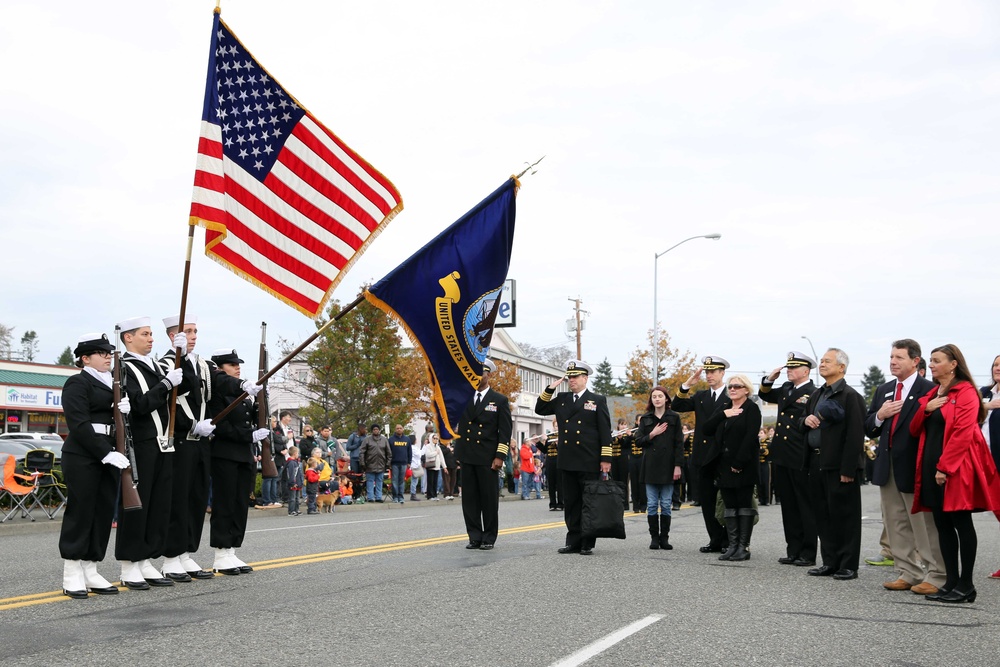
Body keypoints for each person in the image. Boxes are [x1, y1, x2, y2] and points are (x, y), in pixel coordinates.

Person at [910, 344, 1000, 603]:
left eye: (937, 361)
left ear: (953, 364)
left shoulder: (966, 392)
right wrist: (925, 409)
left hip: (954, 468)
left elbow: (962, 432)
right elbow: (916, 429)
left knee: (961, 523)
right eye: (931, 360)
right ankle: (950, 582)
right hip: (930, 466)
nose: (932, 365)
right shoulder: (934, 392)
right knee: (942, 525)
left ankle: (966, 585)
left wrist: (944, 468)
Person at [863, 339, 944, 595]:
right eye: (891, 357)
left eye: (899, 357)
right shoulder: (885, 389)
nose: (893, 362)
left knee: (923, 524)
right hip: (887, 468)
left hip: (916, 467)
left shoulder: (930, 389)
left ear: (915, 361)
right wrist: (880, 415)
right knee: (895, 522)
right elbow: (869, 427)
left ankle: (937, 574)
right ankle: (908, 571)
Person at [115, 316, 188, 590]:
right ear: (128, 338)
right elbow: (141, 404)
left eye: (151, 334)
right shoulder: (124, 368)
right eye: (145, 334)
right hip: (142, 444)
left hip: (163, 444)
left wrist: (185, 353)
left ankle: (145, 557)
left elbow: (188, 387)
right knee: (138, 504)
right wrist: (166, 384)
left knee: (159, 505)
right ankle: (129, 563)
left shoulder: (156, 366)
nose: (151, 338)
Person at [58, 333, 127, 598]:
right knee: (82, 509)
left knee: (102, 511)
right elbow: (78, 423)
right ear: (85, 358)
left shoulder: (114, 384)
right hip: (83, 454)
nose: (108, 355)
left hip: (110, 451)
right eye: (101, 352)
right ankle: (72, 570)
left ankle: (91, 567)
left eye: (109, 351)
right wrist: (103, 452)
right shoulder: (77, 382)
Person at [158, 314, 216, 582]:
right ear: (173, 336)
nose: (193, 335)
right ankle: (171, 557)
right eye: (188, 331)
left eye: (195, 331)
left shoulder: (200, 363)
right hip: (181, 439)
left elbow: (211, 390)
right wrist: (191, 425)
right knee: (178, 500)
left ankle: (186, 552)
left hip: (200, 440)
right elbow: (173, 400)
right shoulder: (167, 363)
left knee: (196, 499)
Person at [535, 360, 612, 556]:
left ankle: (587, 542)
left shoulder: (597, 400)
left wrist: (606, 458)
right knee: (571, 502)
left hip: (589, 458)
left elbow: (604, 431)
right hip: (568, 458)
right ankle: (573, 541)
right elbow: (540, 409)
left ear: (585, 378)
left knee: (588, 501)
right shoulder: (562, 399)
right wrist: (550, 388)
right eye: (569, 377)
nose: (571, 380)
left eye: (575, 377)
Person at [802, 348, 866, 581]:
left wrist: (849, 469)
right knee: (823, 515)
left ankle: (848, 564)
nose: (822, 364)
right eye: (821, 361)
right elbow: (806, 421)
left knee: (845, 516)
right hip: (817, 461)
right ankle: (829, 561)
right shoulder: (818, 395)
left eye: (828, 361)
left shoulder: (850, 396)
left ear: (842, 367)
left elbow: (855, 436)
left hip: (840, 466)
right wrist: (805, 420)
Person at [206, 349, 266, 575]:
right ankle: (220, 554)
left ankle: (231, 550)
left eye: (237, 363)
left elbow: (249, 419)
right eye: (231, 364)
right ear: (220, 369)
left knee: (240, 503)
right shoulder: (217, 394)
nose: (237, 367)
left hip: (243, 454)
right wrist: (247, 435)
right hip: (224, 453)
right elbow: (220, 425)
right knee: (225, 503)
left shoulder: (245, 395)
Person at [758, 351, 817, 567]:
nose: (789, 370)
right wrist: (770, 379)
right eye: (788, 367)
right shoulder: (785, 389)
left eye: (793, 368)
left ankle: (808, 553)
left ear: (806, 371)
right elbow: (764, 395)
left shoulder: (814, 392)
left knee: (804, 504)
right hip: (782, 453)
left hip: (799, 453)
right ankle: (793, 550)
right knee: (789, 505)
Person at [673, 356, 730, 553]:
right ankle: (715, 539)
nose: (709, 375)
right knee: (707, 500)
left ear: (723, 373)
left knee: (726, 499)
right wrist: (688, 384)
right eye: (707, 372)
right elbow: (677, 406)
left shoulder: (732, 396)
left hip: (723, 454)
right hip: (703, 455)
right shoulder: (701, 396)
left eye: (713, 371)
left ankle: (729, 540)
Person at [455, 359, 512, 550]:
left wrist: (500, 456)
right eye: (475, 373)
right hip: (467, 456)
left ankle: (488, 537)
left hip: (488, 458)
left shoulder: (499, 400)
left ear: (489, 375)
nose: (479, 377)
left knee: (488, 499)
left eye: (482, 373)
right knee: (469, 500)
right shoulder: (462, 398)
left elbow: (505, 433)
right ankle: (474, 536)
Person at [705, 375, 762, 561]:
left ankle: (743, 547)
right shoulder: (725, 408)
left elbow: (749, 438)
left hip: (743, 465)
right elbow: (706, 429)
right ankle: (732, 545)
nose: (732, 389)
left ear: (746, 390)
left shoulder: (751, 409)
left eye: (737, 386)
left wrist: (739, 463)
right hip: (723, 465)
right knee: (729, 507)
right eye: (730, 386)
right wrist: (723, 414)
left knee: (743, 505)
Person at [636, 386, 684, 550]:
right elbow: (638, 441)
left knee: (665, 503)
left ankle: (665, 538)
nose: (657, 399)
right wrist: (653, 434)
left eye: (660, 396)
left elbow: (679, 444)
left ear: (666, 399)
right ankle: (654, 538)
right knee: (651, 504)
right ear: (651, 400)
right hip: (650, 465)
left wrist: (678, 466)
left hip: (668, 465)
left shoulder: (674, 417)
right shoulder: (645, 418)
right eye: (654, 396)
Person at [981, 354, 1000, 580]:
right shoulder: (984, 393)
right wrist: (987, 405)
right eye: (995, 365)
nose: (997, 368)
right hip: (982, 461)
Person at [359, 424, 391, 503]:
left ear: (379, 430)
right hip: (369, 464)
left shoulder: (384, 440)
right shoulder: (367, 440)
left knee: (379, 481)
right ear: (372, 431)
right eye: (374, 429)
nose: (376, 431)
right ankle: (370, 497)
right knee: (370, 481)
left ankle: (378, 497)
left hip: (381, 464)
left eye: (377, 429)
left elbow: (389, 453)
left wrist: (387, 463)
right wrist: (363, 463)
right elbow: (362, 452)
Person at [537, 419, 562, 511]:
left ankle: (560, 503)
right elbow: (545, 450)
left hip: (559, 460)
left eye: (558, 426)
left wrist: (557, 444)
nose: (557, 428)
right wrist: (538, 442)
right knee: (550, 483)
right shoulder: (550, 436)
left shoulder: (563, 436)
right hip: (550, 461)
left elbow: (563, 451)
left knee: (560, 483)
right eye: (555, 426)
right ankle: (552, 504)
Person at [388, 424, 413, 504]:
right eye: (397, 428)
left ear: (403, 429)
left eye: (400, 428)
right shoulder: (391, 440)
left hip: (404, 463)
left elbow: (410, 451)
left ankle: (401, 497)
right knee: (394, 481)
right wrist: (389, 463)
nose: (399, 429)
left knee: (402, 481)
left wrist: (409, 462)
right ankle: (395, 497)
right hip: (394, 463)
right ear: (395, 430)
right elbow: (388, 452)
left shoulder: (407, 439)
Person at [611, 419, 631, 511]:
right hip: (614, 460)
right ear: (618, 425)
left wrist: (621, 438)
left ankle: (625, 504)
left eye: (625, 424)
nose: (623, 426)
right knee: (615, 481)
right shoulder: (613, 433)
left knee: (623, 482)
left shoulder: (627, 435)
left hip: (623, 460)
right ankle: (616, 502)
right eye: (622, 424)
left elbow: (626, 445)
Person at [628, 414, 646, 513]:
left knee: (642, 482)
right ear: (636, 422)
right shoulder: (631, 431)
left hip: (642, 458)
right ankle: (635, 506)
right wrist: (623, 437)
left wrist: (631, 436)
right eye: (639, 421)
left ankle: (643, 505)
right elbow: (625, 444)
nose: (640, 422)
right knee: (634, 483)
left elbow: (642, 440)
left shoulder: (644, 431)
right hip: (633, 459)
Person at [424, 434, 444, 500]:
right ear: (431, 439)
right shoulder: (428, 446)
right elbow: (428, 454)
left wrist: (444, 466)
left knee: (435, 481)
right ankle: (430, 495)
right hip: (430, 465)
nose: (436, 440)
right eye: (434, 438)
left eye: (437, 439)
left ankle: (434, 495)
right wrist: (435, 453)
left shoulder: (438, 447)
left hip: (437, 466)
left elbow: (441, 457)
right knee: (430, 481)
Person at [285, 446, 303, 516]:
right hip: (293, 483)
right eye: (298, 453)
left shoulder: (296, 462)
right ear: (295, 453)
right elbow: (291, 474)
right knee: (292, 498)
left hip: (297, 483)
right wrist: (292, 483)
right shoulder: (291, 463)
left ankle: (296, 509)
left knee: (297, 498)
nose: (298, 455)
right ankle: (291, 510)